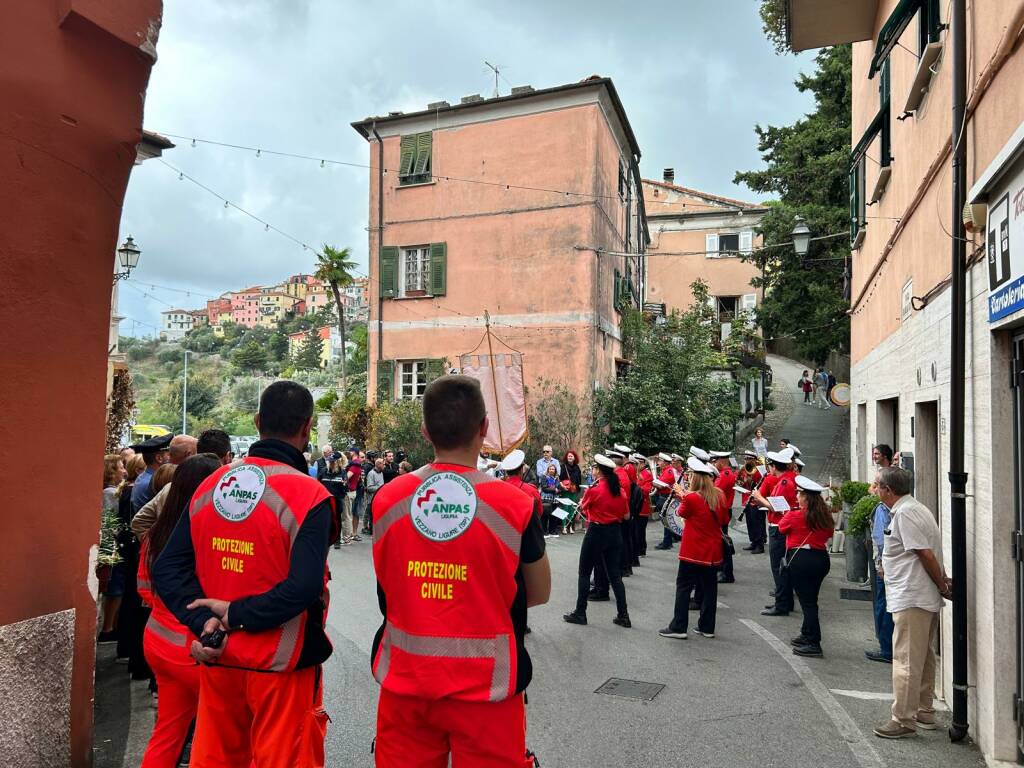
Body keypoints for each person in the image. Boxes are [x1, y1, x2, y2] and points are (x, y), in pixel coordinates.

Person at [152, 380, 336, 767]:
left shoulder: (211, 486)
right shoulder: (310, 496)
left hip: (218, 656)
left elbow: (168, 568)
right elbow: (303, 588)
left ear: (256, 422)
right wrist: (237, 614)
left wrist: (204, 621)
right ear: (307, 427)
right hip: (281, 669)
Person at [368, 375, 550, 767]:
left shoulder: (387, 499)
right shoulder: (514, 505)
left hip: (405, 683)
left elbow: (388, 586)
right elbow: (538, 592)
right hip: (489, 689)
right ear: (484, 428)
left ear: (424, 431)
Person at [137, 453, 221, 768]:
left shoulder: (156, 534)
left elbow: (144, 589)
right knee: (216, 738)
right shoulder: (207, 536)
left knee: (167, 733)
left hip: (158, 643)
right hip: (194, 650)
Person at [872, 467, 951, 739]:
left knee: (906, 659)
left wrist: (942, 584)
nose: (874, 488)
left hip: (912, 595)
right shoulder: (914, 509)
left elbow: (924, 554)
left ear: (889, 491)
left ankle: (903, 719)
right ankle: (923, 710)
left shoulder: (905, 514)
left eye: (877, 485)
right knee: (923, 656)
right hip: (919, 595)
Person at [658, 457, 728, 640]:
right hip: (713, 552)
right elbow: (722, 519)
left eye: (690, 475)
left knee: (683, 587)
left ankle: (679, 626)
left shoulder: (691, 497)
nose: (688, 478)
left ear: (696, 478)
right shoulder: (720, 494)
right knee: (709, 589)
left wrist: (682, 494)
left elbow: (682, 513)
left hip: (693, 551)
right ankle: (707, 627)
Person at [564, 453, 630, 629]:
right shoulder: (620, 491)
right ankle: (624, 615)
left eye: (594, 468)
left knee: (584, 572)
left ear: (599, 471)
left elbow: (583, 509)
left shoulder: (594, 490)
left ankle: (580, 612)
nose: (592, 471)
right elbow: (626, 515)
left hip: (596, 531)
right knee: (615, 576)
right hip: (615, 533)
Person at [778, 476, 834, 658]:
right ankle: (807, 633)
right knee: (811, 599)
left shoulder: (795, 515)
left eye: (799, 494)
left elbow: (781, 528)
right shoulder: (824, 516)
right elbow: (828, 535)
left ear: (806, 497)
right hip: (821, 559)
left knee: (808, 603)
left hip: (801, 560)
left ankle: (814, 642)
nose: (797, 497)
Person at [754, 449, 799, 616]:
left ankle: (782, 604)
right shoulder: (787, 479)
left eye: (770, 466)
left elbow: (777, 507)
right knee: (782, 566)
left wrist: (759, 498)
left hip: (778, 527)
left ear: (774, 467)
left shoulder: (784, 483)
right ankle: (785, 601)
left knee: (778, 567)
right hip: (782, 526)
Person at [866, 444, 895, 663]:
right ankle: (888, 647)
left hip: (887, 565)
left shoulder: (883, 509)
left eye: (879, 487)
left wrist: (880, 565)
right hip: (894, 565)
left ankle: (886, 648)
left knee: (883, 605)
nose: (875, 490)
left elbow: (880, 540)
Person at [98, 455, 128, 643]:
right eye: (120, 467)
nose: (124, 470)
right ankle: (108, 629)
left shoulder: (110, 491)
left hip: (111, 545)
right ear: (111, 471)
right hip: (112, 546)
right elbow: (111, 522)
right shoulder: (110, 493)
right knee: (114, 588)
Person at [710, 451, 736, 584]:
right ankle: (724, 571)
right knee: (722, 540)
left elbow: (713, 491)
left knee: (722, 542)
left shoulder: (724, 474)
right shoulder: (727, 473)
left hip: (722, 510)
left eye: (715, 461)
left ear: (721, 460)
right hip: (724, 509)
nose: (714, 464)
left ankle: (726, 573)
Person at [130, 435, 173, 514]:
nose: (171, 458)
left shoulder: (143, 477)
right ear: (159, 458)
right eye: (168, 455)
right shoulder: (152, 481)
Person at [738, 451, 766, 553]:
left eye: (748, 459)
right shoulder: (743, 469)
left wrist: (750, 478)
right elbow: (740, 482)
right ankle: (753, 541)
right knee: (750, 521)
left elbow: (760, 483)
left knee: (756, 522)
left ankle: (760, 545)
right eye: (745, 459)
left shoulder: (759, 470)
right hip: (746, 499)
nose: (746, 461)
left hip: (755, 500)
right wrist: (741, 483)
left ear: (754, 459)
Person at [321, 452, 350, 548]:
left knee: (337, 519)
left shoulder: (342, 472)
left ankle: (337, 540)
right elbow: (318, 484)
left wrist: (344, 484)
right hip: (326, 500)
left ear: (338, 462)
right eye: (330, 461)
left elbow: (345, 489)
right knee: (326, 519)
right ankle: (326, 539)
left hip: (337, 500)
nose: (331, 463)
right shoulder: (323, 471)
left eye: (333, 461)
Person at [632, 454, 653, 558]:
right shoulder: (634, 472)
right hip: (633, 506)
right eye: (636, 462)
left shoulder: (647, 474)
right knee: (634, 530)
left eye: (639, 462)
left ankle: (641, 550)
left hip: (642, 506)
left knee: (640, 530)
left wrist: (635, 488)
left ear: (644, 463)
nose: (637, 464)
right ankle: (635, 549)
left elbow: (646, 491)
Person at [363, 457, 386, 535]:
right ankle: (368, 529)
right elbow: (369, 487)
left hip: (380, 497)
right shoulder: (371, 473)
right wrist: (381, 487)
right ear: (379, 464)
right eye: (383, 464)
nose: (384, 466)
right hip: (372, 498)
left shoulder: (381, 473)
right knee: (370, 514)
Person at [345, 450, 364, 541]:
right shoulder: (354, 465)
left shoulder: (356, 466)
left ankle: (351, 534)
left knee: (352, 514)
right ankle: (351, 534)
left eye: (364, 457)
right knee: (350, 513)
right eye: (361, 457)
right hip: (354, 490)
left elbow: (346, 478)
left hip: (356, 490)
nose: (363, 459)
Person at [539, 463, 561, 537]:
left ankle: (552, 531)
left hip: (555, 499)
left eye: (553, 469)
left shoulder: (557, 477)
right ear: (548, 469)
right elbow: (544, 488)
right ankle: (544, 532)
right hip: (546, 499)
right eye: (550, 469)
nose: (552, 470)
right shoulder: (544, 477)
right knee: (545, 516)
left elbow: (559, 487)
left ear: (555, 470)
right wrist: (554, 489)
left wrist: (558, 489)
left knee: (554, 516)